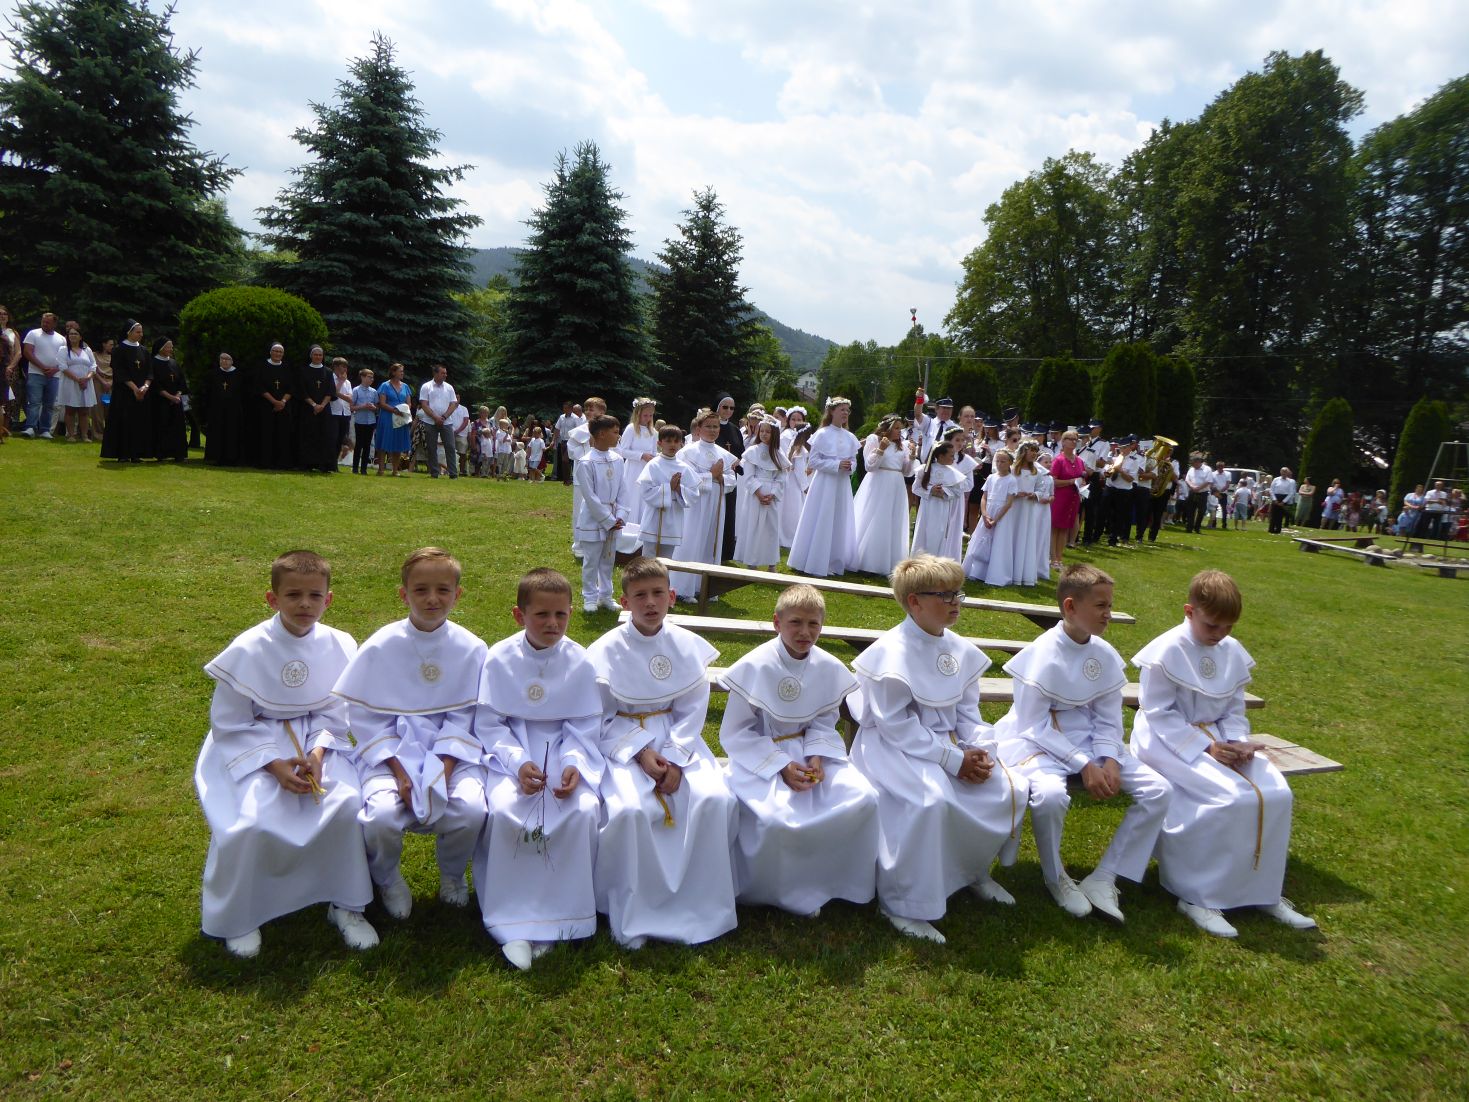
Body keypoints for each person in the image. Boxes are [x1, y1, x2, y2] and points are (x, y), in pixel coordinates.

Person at [194, 549, 377, 957]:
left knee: (346, 804)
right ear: (272, 599)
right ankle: (240, 916)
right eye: (293, 595)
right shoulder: (249, 648)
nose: (304, 604)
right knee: (249, 819)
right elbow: (230, 721)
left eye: (315, 596)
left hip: (317, 740)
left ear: (328, 600)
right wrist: (275, 766)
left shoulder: (340, 643)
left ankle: (346, 905)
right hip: (256, 742)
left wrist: (317, 755)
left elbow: (337, 710)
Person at [848, 555, 1024, 942]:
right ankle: (902, 903)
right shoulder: (891, 652)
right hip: (895, 749)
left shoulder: (960, 649)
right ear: (914, 602)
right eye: (945, 595)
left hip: (950, 745)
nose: (956, 601)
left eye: (958, 592)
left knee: (1008, 787)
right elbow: (895, 724)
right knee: (930, 801)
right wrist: (953, 759)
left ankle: (972, 870)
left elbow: (968, 712)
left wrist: (981, 749)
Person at [1131, 571, 1317, 937]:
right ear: (1189, 611)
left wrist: (1237, 742)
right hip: (1167, 740)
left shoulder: (1230, 650)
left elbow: (1233, 708)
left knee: (1277, 792)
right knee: (1229, 796)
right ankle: (1198, 895)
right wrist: (1207, 747)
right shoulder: (1167, 651)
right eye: (1212, 625)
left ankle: (1263, 891)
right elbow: (1158, 712)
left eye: (1228, 627)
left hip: (1218, 737)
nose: (1220, 634)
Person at [994, 565, 1172, 921]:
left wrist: (1109, 759)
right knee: (1050, 796)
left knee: (1158, 790)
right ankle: (1056, 876)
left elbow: (1108, 718)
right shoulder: (1041, 654)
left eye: (1110, 605)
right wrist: (1083, 764)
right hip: (1038, 744)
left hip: (1091, 742)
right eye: (1100, 606)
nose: (1108, 614)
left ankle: (1105, 876)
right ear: (1071, 607)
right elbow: (1032, 725)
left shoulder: (1103, 654)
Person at [586, 557, 738, 947]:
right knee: (630, 811)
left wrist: (675, 758)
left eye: (658, 593)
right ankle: (636, 911)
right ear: (625, 602)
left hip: (678, 739)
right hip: (624, 743)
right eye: (640, 596)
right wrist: (640, 752)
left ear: (671, 596)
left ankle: (703, 906)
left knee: (713, 799)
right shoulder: (606, 651)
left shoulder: (686, 646)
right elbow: (598, 717)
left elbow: (692, 710)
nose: (650, 603)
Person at [332, 548, 489, 920]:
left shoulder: (471, 648)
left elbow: (467, 715)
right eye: (421, 590)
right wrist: (400, 772)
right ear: (404, 594)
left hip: (451, 754)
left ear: (457, 594)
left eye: (443, 590)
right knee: (382, 816)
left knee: (471, 810)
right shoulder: (381, 646)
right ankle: (387, 878)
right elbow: (367, 719)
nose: (432, 599)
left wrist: (444, 767)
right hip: (391, 754)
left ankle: (452, 875)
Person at [473, 568, 604, 970]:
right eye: (542, 615)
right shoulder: (499, 658)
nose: (552, 624)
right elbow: (490, 723)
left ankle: (559, 919)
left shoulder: (579, 660)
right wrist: (516, 763)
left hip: (563, 752)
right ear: (520, 615)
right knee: (505, 810)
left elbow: (584, 724)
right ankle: (512, 921)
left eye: (561, 615)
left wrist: (574, 763)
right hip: (512, 754)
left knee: (581, 811)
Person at [720, 584, 879, 917]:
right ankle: (782, 891)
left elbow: (824, 720)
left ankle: (838, 882)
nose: (805, 632)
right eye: (795, 623)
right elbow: (736, 732)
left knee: (862, 797)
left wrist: (817, 756)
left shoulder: (827, 667)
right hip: (762, 758)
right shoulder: (755, 667)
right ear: (777, 622)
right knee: (776, 818)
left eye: (813, 624)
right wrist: (781, 765)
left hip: (810, 754)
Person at [668, 409, 737, 601]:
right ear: (698, 429)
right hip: (695, 503)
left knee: (710, 541)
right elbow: (684, 479)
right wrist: (711, 476)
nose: (713, 430)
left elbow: (732, 480)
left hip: (716, 502)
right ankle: (684, 587)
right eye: (708, 426)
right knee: (692, 540)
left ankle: (705, 587)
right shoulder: (688, 452)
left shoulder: (723, 454)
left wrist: (721, 478)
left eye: (716, 427)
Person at [788, 397, 860, 577]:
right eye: (842, 409)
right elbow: (813, 461)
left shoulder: (850, 437)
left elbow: (854, 461)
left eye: (847, 410)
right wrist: (836, 465)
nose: (845, 413)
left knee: (839, 519)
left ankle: (834, 560)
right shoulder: (822, 434)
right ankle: (814, 558)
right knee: (822, 516)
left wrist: (850, 466)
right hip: (824, 483)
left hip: (841, 484)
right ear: (832, 411)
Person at [573, 413, 626, 613]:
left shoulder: (618, 459)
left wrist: (621, 514)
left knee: (608, 560)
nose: (618, 436)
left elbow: (623, 489)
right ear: (602, 434)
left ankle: (606, 595)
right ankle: (589, 597)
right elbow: (590, 496)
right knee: (591, 560)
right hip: (594, 518)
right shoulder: (586, 462)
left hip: (614, 516)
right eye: (615, 432)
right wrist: (608, 519)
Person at [853, 414, 914, 576]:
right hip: (879, 482)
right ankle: (869, 560)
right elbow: (869, 466)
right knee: (877, 518)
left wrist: (912, 457)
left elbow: (907, 472)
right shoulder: (874, 439)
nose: (899, 431)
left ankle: (890, 561)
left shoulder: (903, 445)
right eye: (896, 428)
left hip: (897, 485)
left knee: (893, 520)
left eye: (900, 428)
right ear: (887, 428)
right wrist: (881, 449)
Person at [637, 425, 698, 559]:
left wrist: (679, 489)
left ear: (681, 443)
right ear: (660, 443)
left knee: (666, 559)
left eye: (676, 441)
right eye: (668, 441)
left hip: (673, 517)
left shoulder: (685, 468)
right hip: (654, 517)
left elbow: (694, 494)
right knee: (649, 557)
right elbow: (646, 492)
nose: (673, 445)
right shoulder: (653, 465)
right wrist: (668, 487)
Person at [736, 417, 787, 568]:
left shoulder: (778, 454)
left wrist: (773, 493)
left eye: (768, 431)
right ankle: (751, 561)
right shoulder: (752, 451)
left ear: (774, 434)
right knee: (753, 526)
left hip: (771, 497)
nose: (764, 434)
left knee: (771, 528)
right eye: (762, 431)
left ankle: (771, 563)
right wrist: (758, 493)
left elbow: (781, 478)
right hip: (755, 496)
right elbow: (749, 476)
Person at [99, 322, 152, 462]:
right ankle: (122, 453)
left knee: (138, 423)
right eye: (138, 332)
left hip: (141, 393)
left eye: (141, 332)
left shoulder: (144, 351)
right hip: (124, 393)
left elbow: (150, 372)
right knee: (123, 422)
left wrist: (145, 387)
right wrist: (135, 388)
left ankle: (136, 453)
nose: (141, 335)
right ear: (129, 332)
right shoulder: (119, 350)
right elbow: (119, 372)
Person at [964, 447, 1017, 582]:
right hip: (988, 512)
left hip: (1002, 514)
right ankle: (976, 570)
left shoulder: (1011, 480)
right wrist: (985, 514)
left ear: (1010, 463)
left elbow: (1009, 503)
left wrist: (996, 519)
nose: (999, 464)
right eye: (997, 461)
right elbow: (984, 497)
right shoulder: (991, 478)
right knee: (981, 539)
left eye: (1003, 461)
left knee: (998, 540)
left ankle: (994, 572)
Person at [910, 440, 962, 559]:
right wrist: (930, 490)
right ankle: (919, 560)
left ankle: (935, 561)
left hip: (942, 509)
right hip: (927, 508)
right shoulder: (925, 469)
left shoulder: (953, 473)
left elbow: (957, 492)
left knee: (939, 533)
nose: (954, 458)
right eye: (951, 456)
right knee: (923, 532)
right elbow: (915, 488)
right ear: (941, 456)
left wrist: (945, 492)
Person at [20, 311, 67, 439]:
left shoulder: (61, 339)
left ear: (54, 324)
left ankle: (45, 429)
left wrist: (54, 369)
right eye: (43, 321)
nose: (44, 324)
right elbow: (27, 352)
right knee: (34, 402)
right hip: (36, 373)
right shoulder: (33, 334)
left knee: (49, 404)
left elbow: (64, 358)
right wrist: (42, 367)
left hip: (54, 376)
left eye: (48, 322)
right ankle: (31, 427)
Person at [296, 345, 338, 474]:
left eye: (320, 355)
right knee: (308, 435)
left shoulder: (328, 372)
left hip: (324, 409)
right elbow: (302, 391)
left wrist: (321, 406)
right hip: (307, 409)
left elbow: (330, 391)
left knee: (325, 436)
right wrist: (314, 405)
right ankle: (307, 463)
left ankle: (323, 465)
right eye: (315, 354)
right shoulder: (303, 370)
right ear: (310, 356)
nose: (318, 357)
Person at [713, 395, 745, 560]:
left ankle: (725, 552)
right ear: (717, 407)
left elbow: (741, 453)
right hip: (714, 476)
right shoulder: (711, 426)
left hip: (730, 478)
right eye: (725, 407)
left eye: (732, 408)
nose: (728, 411)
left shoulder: (735, 430)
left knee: (728, 513)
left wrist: (738, 463)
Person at [199, 352, 246, 466]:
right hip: (216, 411)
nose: (224, 361)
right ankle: (214, 457)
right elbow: (207, 392)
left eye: (227, 359)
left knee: (232, 433)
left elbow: (243, 394)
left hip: (233, 411)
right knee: (216, 433)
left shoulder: (239, 375)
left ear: (232, 361)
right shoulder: (213, 374)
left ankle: (232, 458)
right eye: (222, 359)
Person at [1049, 430, 1086, 570]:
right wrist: (1071, 481)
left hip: (1073, 498)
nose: (1073, 442)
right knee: (1055, 528)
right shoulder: (1058, 460)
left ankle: (1059, 558)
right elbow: (1052, 481)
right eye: (1070, 439)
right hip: (1059, 497)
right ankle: (1053, 558)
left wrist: (1082, 484)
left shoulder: (1079, 461)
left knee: (1064, 528)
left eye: (1076, 439)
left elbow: (1081, 478)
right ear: (1063, 442)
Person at [618, 397, 659, 526]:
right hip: (633, 469)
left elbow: (654, 451)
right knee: (633, 495)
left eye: (650, 415)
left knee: (644, 495)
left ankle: (643, 524)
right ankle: (630, 523)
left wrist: (655, 457)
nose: (648, 418)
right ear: (638, 414)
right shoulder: (631, 429)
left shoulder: (653, 432)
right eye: (645, 415)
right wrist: (641, 455)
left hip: (647, 468)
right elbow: (622, 451)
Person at [255, 344, 296, 470]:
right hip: (266, 405)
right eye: (275, 351)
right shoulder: (262, 366)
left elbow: (292, 387)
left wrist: (282, 401)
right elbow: (259, 386)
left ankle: (282, 462)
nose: (278, 354)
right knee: (266, 434)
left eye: (280, 352)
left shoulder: (287, 367)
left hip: (284, 406)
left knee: (283, 435)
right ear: (270, 352)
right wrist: (274, 401)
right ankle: (265, 462)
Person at [148, 338, 189, 462]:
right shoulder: (153, 363)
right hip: (161, 402)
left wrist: (177, 395)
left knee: (178, 428)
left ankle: (179, 454)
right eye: (168, 347)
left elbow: (181, 381)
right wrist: (169, 397)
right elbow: (155, 384)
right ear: (161, 348)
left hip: (176, 401)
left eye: (171, 347)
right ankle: (161, 453)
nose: (171, 349)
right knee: (162, 426)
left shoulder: (174, 363)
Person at [416, 364, 459, 479]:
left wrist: (443, 417)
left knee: (450, 447)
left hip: (447, 422)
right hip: (430, 421)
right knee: (431, 447)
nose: (445, 375)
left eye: (446, 373)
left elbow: (453, 404)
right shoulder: (426, 386)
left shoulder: (449, 387)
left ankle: (453, 473)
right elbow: (424, 404)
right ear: (435, 373)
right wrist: (435, 417)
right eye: (442, 373)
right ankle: (434, 473)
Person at [58, 327, 97, 442]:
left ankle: (84, 436)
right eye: (71, 334)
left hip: (86, 383)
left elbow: (93, 366)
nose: (73, 336)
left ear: (80, 337)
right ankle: (71, 435)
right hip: (70, 383)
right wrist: (78, 379)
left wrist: (87, 378)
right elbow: (62, 367)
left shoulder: (87, 350)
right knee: (70, 410)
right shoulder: (63, 350)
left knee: (84, 411)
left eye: (75, 334)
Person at [374, 362, 413, 476]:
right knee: (384, 441)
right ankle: (381, 469)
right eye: (400, 371)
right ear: (393, 372)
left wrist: (404, 410)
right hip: (387, 416)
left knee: (398, 442)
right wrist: (394, 410)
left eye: (403, 371)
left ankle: (395, 470)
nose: (402, 373)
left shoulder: (405, 386)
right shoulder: (385, 385)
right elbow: (382, 403)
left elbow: (409, 402)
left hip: (401, 417)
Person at [780, 419, 813, 548]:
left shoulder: (795, 447)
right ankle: (791, 537)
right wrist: (805, 487)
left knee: (790, 510)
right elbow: (799, 471)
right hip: (796, 484)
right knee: (795, 511)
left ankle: (788, 536)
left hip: (792, 482)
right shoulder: (801, 450)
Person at [349, 368, 378, 475]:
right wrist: (363, 406)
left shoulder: (374, 391)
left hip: (371, 421)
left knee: (367, 445)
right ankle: (355, 468)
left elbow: (377, 407)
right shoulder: (356, 390)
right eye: (369, 377)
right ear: (362, 377)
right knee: (359, 445)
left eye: (372, 378)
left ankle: (364, 469)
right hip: (360, 421)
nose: (371, 379)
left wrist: (373, 408)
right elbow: (351, 407)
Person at [330, 358, 353, 466]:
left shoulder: (347, 382)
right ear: (336, 367)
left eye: (346, 367)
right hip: (334, 412)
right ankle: (328, 462)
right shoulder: (330, 378)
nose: (345, 369)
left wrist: (338, 393)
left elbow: (350, 398)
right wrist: (340, 382)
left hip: (345, 413)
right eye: (343, 366)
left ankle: (334, 463)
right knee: (332, 438)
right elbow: (332, 394)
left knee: (340, 439)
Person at [1268, 468, 1297, 534]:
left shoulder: (1290, 481)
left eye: (1285, 472)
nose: (1284, 473)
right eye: (1283, 471)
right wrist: (1274, 499)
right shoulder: (1276, 479)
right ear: (1280, 472)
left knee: (1280, 515)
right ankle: (1271, 529)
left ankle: (1278, 530)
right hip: (1276, 497)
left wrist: (1284, 501)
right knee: (1273, 514)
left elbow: (1291, 492)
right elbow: (1271, 490)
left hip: (1284, 498)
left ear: (1287, 473)